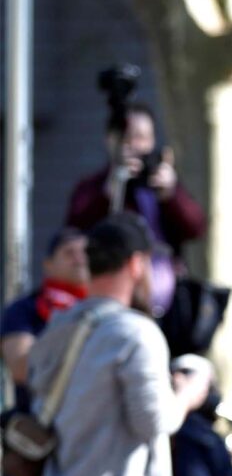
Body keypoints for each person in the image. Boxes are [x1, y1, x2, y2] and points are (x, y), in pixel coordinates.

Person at [29, 213, 186, 476]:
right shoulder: (136, 333)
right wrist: (186, 395)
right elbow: (153, 421)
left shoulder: (59, 326)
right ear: (136, 264)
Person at [0, 227, 89, 476]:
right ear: (48, 263)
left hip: (92, 454)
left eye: (86, 252)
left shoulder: (106, 312)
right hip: (39, 457)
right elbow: (23, 368)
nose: (79, 258)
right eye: (69, 251)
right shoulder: (25, 311)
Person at [65, 101, 206, 315]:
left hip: (166, 297)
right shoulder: (96, 186)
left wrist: (171, 193)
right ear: (111, 140)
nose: (134, 145)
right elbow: (76, 226)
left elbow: (196, 227)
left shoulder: (159, 186)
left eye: (142, 137)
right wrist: (110, 191)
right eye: (127, 137)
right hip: (113, 295)